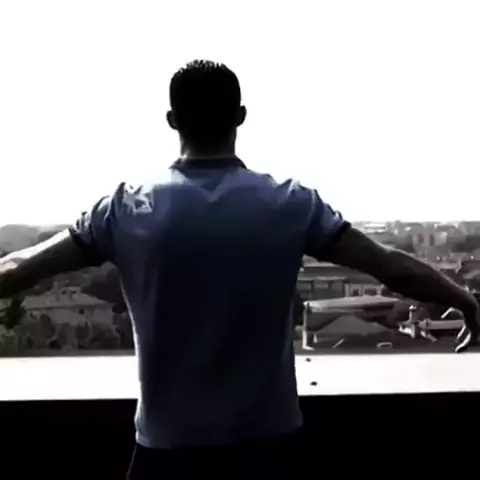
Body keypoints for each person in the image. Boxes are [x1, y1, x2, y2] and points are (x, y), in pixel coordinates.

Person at [0, 59, 479, 479]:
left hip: (168, 448)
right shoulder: (289, 202)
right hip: (268, 444)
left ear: (172, 120)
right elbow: (389, 266)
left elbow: (22, 267)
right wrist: (463, 299)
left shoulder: (127, 207)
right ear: (241, 116)